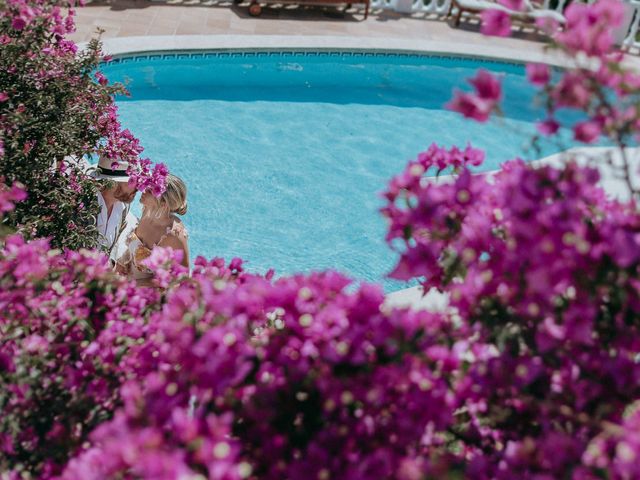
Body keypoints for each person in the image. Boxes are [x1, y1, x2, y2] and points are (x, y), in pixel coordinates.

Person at [116, 173, 189, 287]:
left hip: (149, 296)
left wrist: (136, 284)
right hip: (127, 282)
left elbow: (182, 277)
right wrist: (122, 262)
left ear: (163, 204)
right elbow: (135, 248)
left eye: (150, 191)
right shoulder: (147, 211)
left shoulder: (173, 234)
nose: (143, 190)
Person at [87, 156, 138, 263]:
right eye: (132, 181)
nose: (138, 187)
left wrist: (110, 264)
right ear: (113, 183)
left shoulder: (123, 206)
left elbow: (113, 244)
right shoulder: (84, 204)